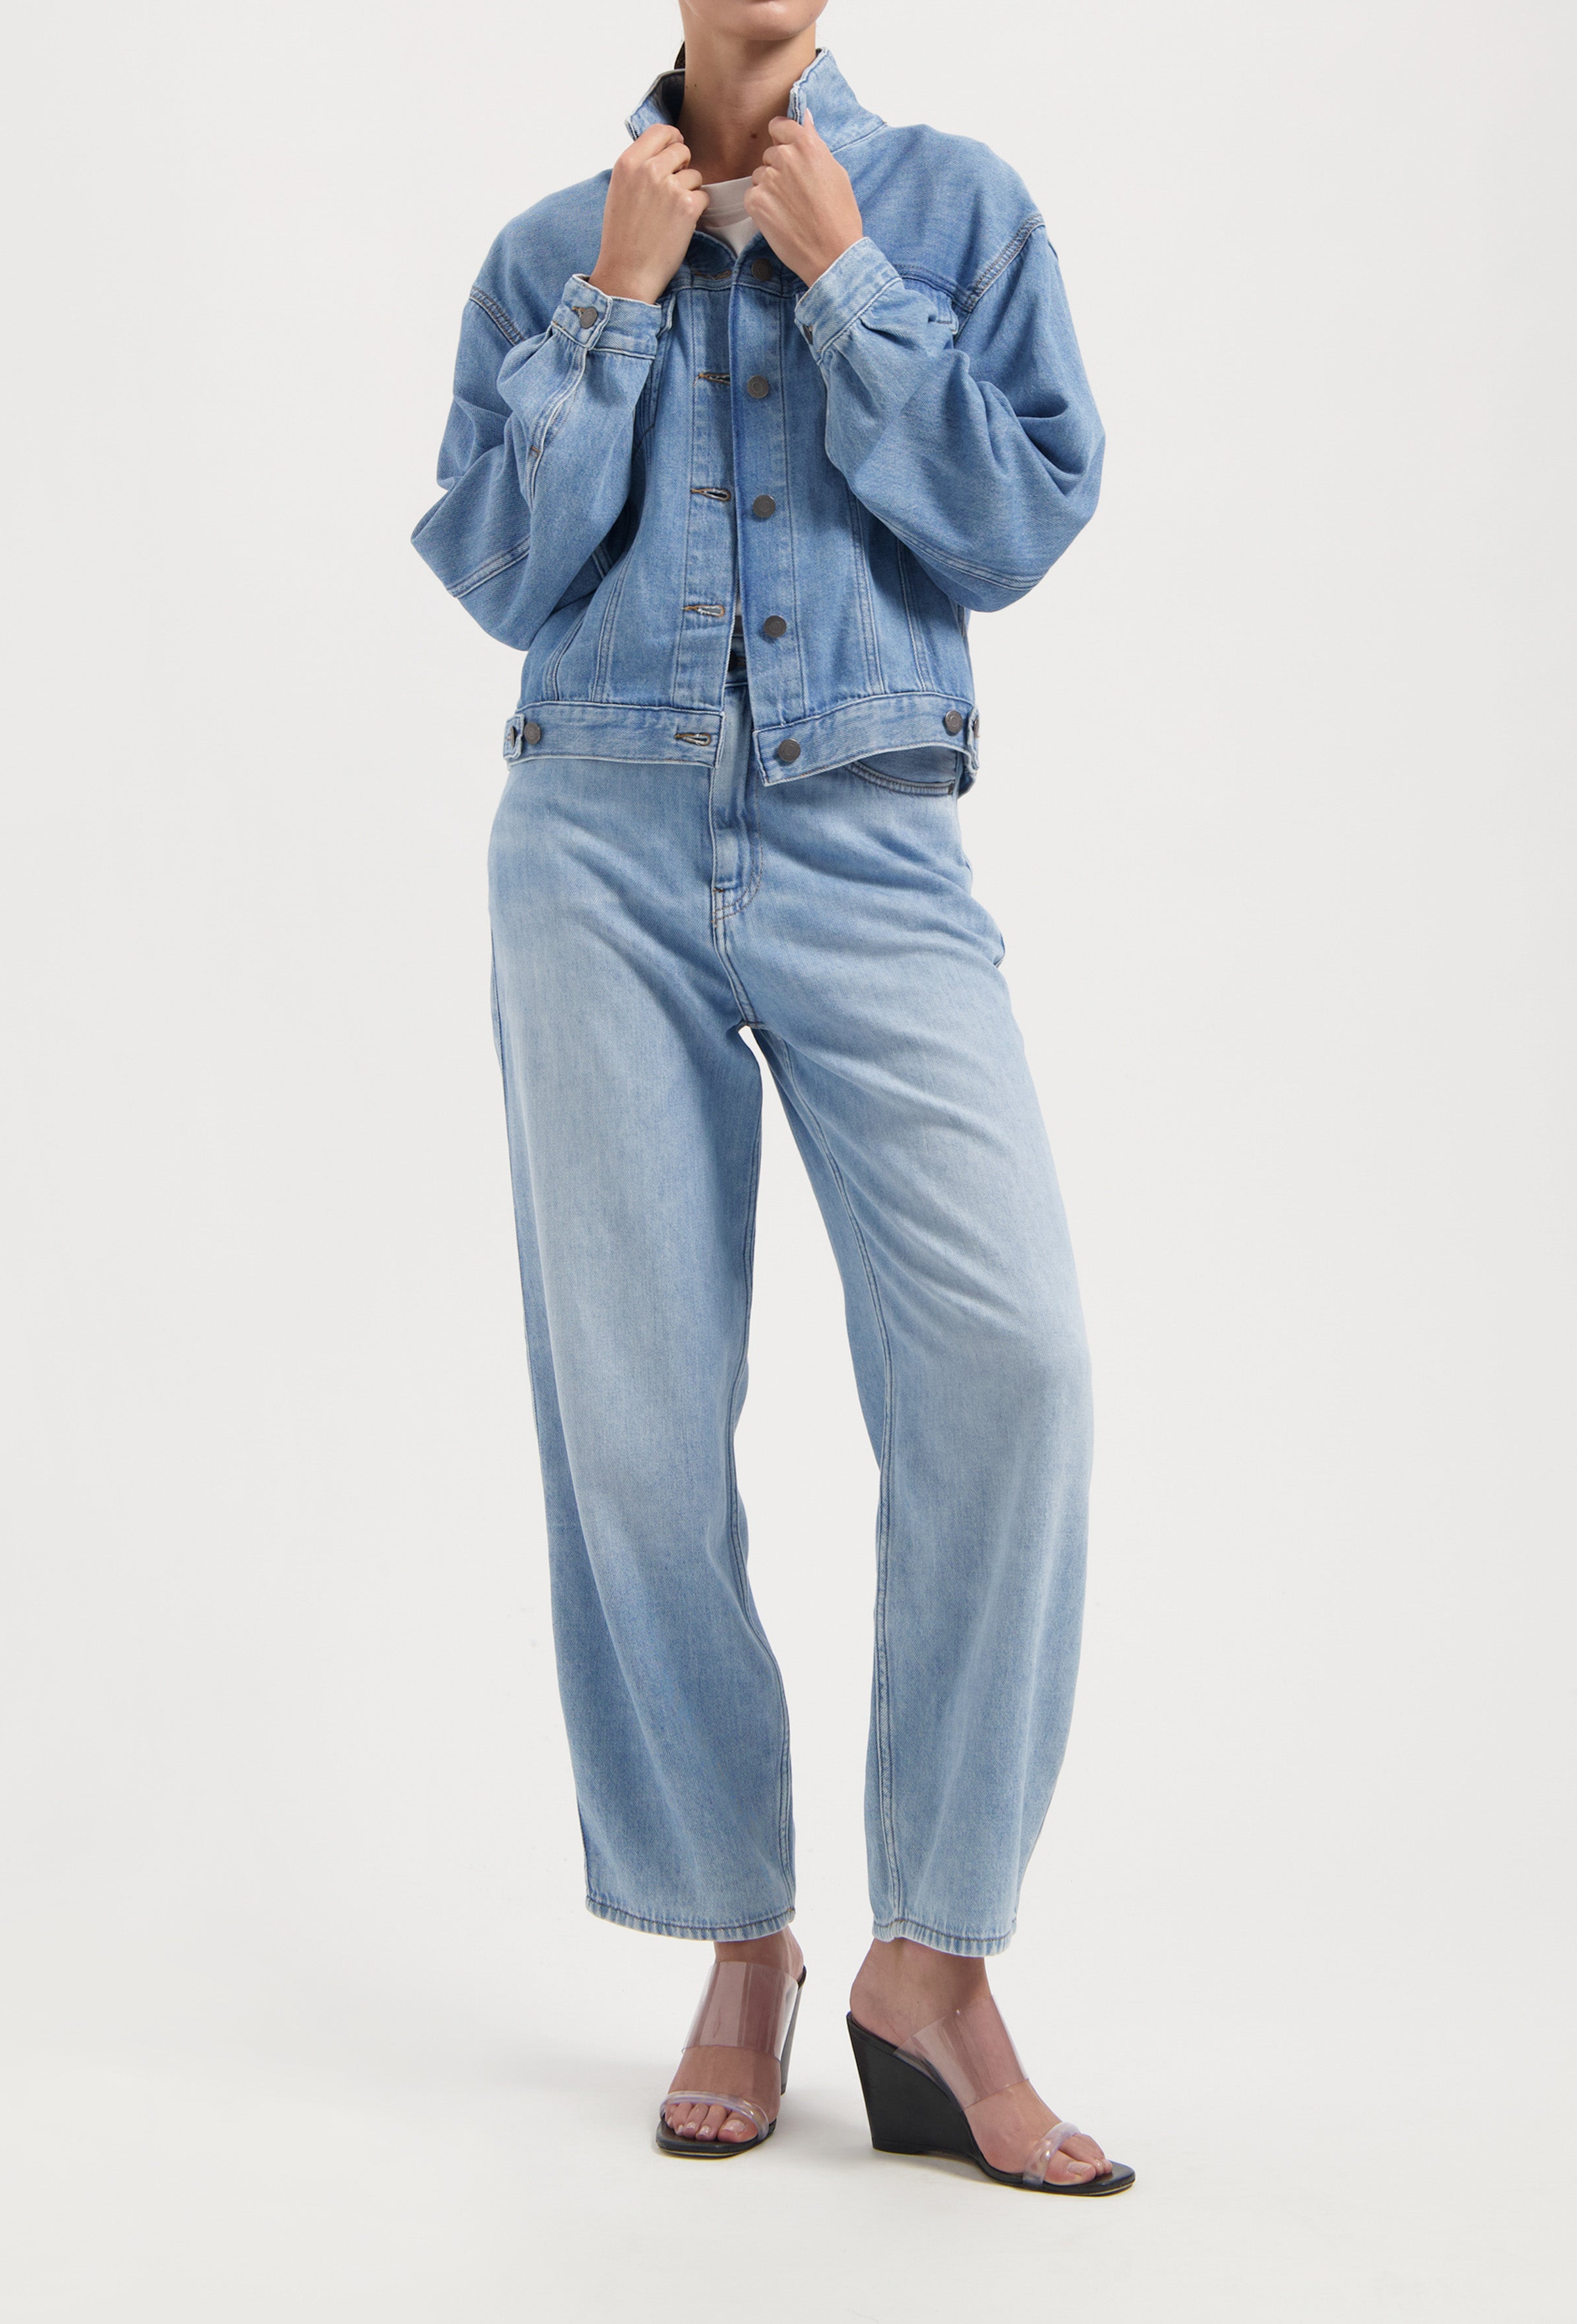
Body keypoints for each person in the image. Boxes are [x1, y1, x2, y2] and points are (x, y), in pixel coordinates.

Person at [412, 1, 1131, 2195]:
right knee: (634, 1429)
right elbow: (497, 574)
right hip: (595, 850)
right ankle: (741, 1932)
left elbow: (1016, 526)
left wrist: (851, 286)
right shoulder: (552, 241)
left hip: (872, 844)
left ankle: (936, 1960)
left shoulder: (951, 208)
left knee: (1011, 1367)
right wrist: (615, 312)